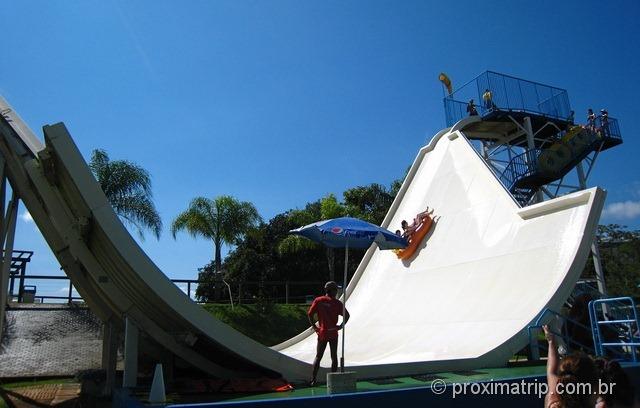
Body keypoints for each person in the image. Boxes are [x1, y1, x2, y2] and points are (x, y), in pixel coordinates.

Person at [543, 325, 604, 408]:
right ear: (595, 388)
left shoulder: (553, 401)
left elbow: (551, 372)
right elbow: (552, 372)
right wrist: (551, 342)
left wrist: (551, 342)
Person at [308, 281, 350, 386]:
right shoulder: (337, 303)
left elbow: (310, 314)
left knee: (318, 356)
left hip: (323, 332)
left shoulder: (319, 300)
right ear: (331, 290)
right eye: (335, 290)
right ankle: (333, 380)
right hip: (333, 332)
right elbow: (347, 315)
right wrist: (341, 326)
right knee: (334, 356)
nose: (336, 292)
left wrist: (315, 327)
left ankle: (313, 380)